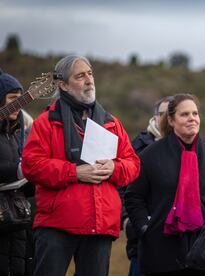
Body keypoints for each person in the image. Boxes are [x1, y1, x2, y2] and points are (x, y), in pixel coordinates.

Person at [21, 55, 140, 276]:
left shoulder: (111, 123)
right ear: (63, 85)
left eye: (90, 73)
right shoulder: (46, 122)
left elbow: (133, 163)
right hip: (56, 225)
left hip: (100, 225)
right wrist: (73, 172)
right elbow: (31, 166)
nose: (89, 80)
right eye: (80, 76)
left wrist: (115, 168)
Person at [125, 93, 205, 275]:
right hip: (160, 251)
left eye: (195, 113)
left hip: (202, 253)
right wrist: (145, 228)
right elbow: (134, 196)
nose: (192, 118)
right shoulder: (150, 155)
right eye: (184, 114)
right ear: (171, 120)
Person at [122, 96, 171, 276]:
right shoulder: (138, 146)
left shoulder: (190, 148)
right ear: (155, 117)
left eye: (170, 114)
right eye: (162, 114)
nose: (166, 118)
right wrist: (127, 219)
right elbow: (122, 185)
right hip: (142, 240)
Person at [0, 71, 35, 276]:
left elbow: (27, 189)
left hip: (18, 223)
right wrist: (18, 170)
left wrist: (33, 178)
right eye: (13, 99)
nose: (19, 104)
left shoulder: (17, 136)